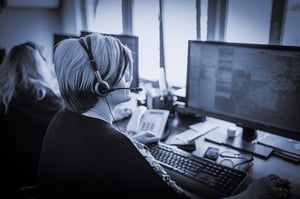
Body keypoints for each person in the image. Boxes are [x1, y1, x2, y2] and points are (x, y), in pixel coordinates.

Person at [36, 33, 291, 199]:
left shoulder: (62, 119)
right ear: (102, 86)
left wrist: (131, 143)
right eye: (124, 73)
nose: (129, 79)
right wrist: (252, 195)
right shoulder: (113, 146)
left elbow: (95, 159)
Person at [0, 41, 64, 196]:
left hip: (10, 171)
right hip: (33, 173)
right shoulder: (39, 96)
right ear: (37, 67)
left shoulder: (6, 96)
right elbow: (70, 125)